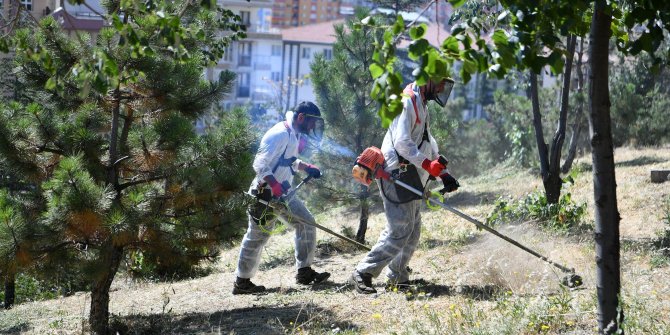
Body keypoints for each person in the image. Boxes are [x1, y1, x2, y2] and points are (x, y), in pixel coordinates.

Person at [350, 78, 460, 294]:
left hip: (409, 173)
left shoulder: (421, 102)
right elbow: (402, 142)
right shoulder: (407, 101)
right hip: (395, 173)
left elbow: (427, 140)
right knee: (399, 230)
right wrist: (428, 164)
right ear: (429, 79)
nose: (441, 90)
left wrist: (444, 174)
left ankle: (397, 276)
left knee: (413, 230)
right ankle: (363, 272)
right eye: (440, 84)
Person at [233, 101, 331, 295]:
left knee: (307, 223)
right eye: (311, 122)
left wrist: (306, 167)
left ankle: (304, 272)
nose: (312, 127)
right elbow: (260, 164)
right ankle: (241, 282)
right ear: (301, 117)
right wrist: (274, 185)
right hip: (265, 195)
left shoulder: (293, 134)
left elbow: (289, 162)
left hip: (284, 194)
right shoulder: (279, 133)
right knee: (257, 236)